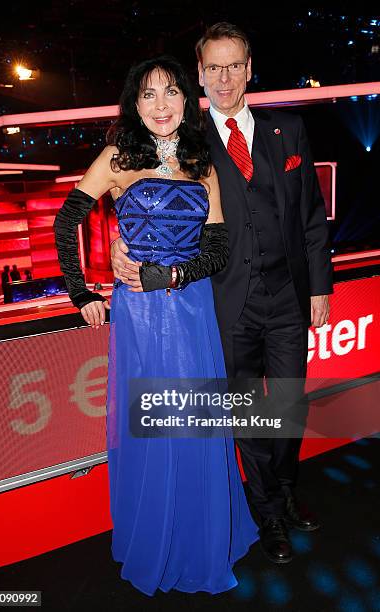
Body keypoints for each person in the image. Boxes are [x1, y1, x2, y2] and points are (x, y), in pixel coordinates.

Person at [111, 23, 334, 565]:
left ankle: (283, 491)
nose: (226, 77)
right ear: (200, 75)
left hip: (287, 297)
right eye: (214, 67)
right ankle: (269, 515)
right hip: (219, 305)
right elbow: (140, 198)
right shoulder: (184, 141)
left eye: (234, 65)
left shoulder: (290, 131)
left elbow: (310, 219)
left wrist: (320, 288)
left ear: (250, 68)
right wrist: (120, 249)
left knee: (286, 406)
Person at [54, 56, 258, 596]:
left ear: (187, 100)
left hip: (191, 313)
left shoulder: (202, 161)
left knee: (193, 427)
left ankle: (198, 539)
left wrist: (168, 273)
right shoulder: (119, 158)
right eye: (149, 95)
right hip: (139, 320)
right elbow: (66, 219)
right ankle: (158, 539)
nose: (162, 105)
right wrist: (81, 292)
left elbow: (216, 249)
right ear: (134, 103)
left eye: (171, 92)